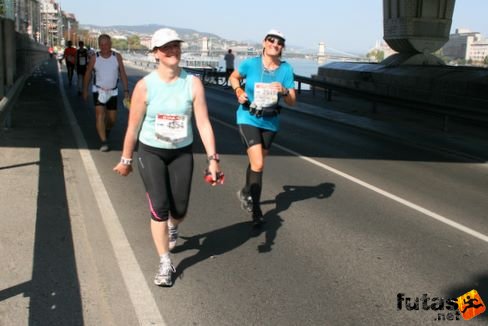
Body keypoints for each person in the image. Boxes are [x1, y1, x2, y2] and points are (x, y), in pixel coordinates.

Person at [113, 28, 223, 287]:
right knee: (159, 209)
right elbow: (133, 127)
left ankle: (174, 225)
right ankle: (165, 262)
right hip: (151, 151)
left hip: (181, 152)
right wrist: (126, 159)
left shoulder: (192, 83)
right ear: (155, 54)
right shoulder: (145, 86)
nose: (173, 51)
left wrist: (213, 159)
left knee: (180, 208)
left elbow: (204, 123)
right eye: (166, 48)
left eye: (176, 46)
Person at [228, 29, 296, 227]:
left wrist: (284, 91)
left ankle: (246, 191)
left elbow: (292, 101)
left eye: (280, 42)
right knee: (258, 163)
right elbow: (234, 77)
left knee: (257, 162)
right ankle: (256, 211)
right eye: (272, 40)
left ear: (282, 47)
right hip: (248, 117)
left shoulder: (286, 69)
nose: (275, 44)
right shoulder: (251, 63)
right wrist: (239, 90)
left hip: (270, 121)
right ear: (264, 42)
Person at [83, 34, 130, 152]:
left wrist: (126, 91)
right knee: (100, 115)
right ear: (99, 45)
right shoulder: (95, 57)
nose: (104, 47)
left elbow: (123, 73)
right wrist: (85, 90)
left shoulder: (117, 57)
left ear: (111, 45)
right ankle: (104, 142)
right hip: (99, 91)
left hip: (113, 92)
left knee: (112, 119)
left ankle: (107, 129)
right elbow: (88, 73)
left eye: (106, 44)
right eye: (102, 44)